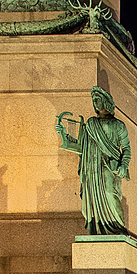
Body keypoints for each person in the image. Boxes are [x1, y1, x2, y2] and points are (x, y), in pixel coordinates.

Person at [56, 86, 132, 235]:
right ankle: (99, 228)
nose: (96, 104)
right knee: (91, 199)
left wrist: (124, 165)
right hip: (92, 168)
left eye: (98, 100)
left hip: (109, 166)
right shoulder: (91, 123)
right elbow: (82, 147)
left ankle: (118, 226)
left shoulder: (118, 125)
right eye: (94, 101)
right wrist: (64, 135)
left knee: (110, 193)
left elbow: (127, 148)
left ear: (106, 102)